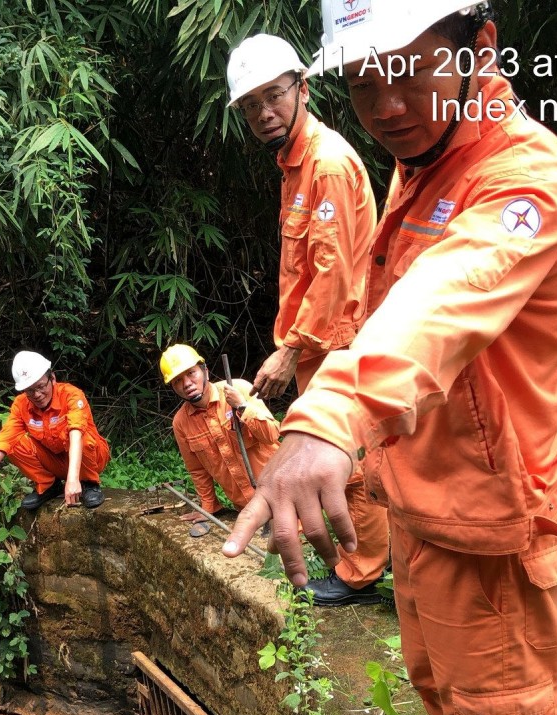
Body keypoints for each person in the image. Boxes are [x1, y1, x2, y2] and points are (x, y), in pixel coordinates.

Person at [223, 3, 557, 715]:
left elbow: (437, 306)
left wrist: (329, 417)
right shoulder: (423, 158)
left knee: (513, 711)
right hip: (426, 492)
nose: (385, 104)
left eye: (405, 72)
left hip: (497, 507)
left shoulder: (530, 183)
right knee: (438, 677)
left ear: (479, 47)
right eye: (362, 80)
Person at [227, 32, 388, 605]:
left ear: (302, 86)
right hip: (318, 343)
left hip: (337, 344)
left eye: (273, 96)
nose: (264, 113)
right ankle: (360, 558)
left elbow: (336, 273)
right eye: (250, 106)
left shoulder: (328, 165)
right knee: (337, 459)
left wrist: (290, 347)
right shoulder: (295, 165)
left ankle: (362, 570)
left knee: (346, 461)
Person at [161, 344, 280, 524]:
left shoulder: (238, 389)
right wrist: (209, 507)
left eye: (191, 373)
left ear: (205, 372)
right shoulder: (181, 423)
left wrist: (242, 407)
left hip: (281, 496)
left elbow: (271, 435)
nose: (186, 383)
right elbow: (197, 470)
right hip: (246, 509)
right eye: (177, 380)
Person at [0, 351, 110, 510]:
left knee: (81, 435)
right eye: (30, 391)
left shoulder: (72, 395)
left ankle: (89, 483)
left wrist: (73, 478)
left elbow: (76, 432)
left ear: (52, 378)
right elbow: (5, 439)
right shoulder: (21, 405)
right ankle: (49, 486)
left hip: (90, 457)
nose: (37, 395)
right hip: (56, 460)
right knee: (13, 445)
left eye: (40, 387)